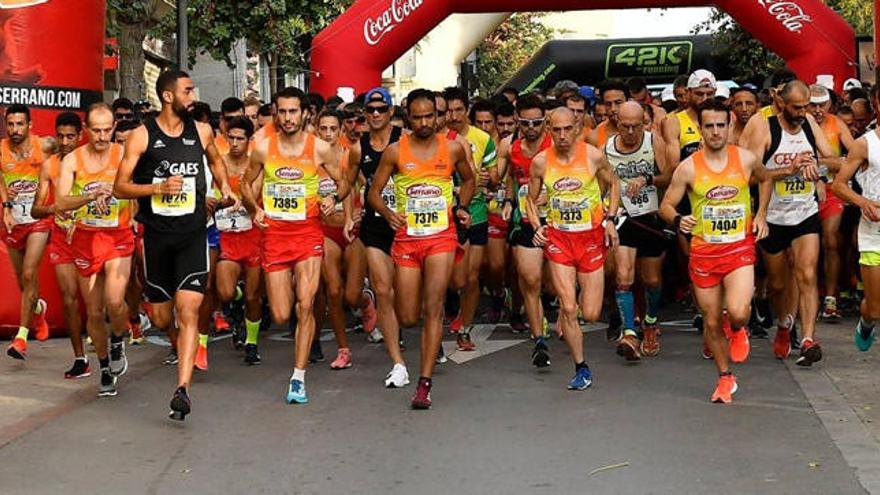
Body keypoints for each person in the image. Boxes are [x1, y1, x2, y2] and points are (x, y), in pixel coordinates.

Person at [114, 70, 237, 420]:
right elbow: (119, 187)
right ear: (168, 97)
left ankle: (182, 389)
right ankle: (179, 346)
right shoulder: (140, 137)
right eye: (187, 91)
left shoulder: (201, 131)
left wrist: (224, 187)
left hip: (193, 235)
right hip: (156, 238)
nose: (192, 95)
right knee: (163, 315)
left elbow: (216, 160)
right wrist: (156, 189)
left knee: (189, 313)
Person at [367, 88, 475, 410]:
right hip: (407, 239)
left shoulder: (453, 148)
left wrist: (460, 205)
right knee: (409, 315)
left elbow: (469, 181)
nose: (425, 122)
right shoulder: (394, 152)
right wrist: (388, 215)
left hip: (441, 236)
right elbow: (373, 193)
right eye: (418, 117)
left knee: (434, 306)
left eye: (430, 116)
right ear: (407, 117)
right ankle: (417, 362)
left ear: (438, 116)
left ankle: (424, 383)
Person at [660, 98, 770, 404]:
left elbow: (766, 180)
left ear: (730, 125)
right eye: (709, 126)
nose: (716, 132)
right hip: (705, 253)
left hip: (738, 248)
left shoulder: (745, 160)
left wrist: (760, 215)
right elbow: (666, 206)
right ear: (700, 129)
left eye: (721, 125)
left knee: (738, 311)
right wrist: (680, 218)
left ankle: (737, 327)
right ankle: (725, 378)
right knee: (710, 320)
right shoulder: (688, 168)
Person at [240, 86, 344, 405]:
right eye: (282, 111)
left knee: (306, 303)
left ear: (304, 113)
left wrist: (331, 198)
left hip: (308, 234)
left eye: (293, 111)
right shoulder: (262, 148)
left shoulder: (320, 149)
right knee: (283, 313)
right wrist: (254, 209)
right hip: (274, 236)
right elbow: (246, 183)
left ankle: (298, 377)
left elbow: (347, 181)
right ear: (275, 113)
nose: (287, 117)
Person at [740, 80, 840, 366]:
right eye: (797, 107)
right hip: (772, 218)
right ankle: (784, 326)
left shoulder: (809, 123)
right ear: (781, 103)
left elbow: (836, 161)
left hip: (804, 213)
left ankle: (808, 339)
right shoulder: (765, 127)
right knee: (779, 284)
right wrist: (790, 169)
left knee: (807, 274)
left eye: (806, 106)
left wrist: (816, 166)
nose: (803, 112)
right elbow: (751, 174)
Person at [526, 107, 619, 390]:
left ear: (577, 128)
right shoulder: (540, 162)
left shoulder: (592, 156)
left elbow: (613, 183)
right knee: (567, 307)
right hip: (559, 239)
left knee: (589, 313)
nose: (562, 135)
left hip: (590, 238)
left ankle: (574, 313)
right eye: (556, 130)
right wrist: (537, 227)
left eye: (568, 129)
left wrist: (610, 219)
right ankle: (581, 367)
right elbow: (530, 199)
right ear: (548, 130)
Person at [56, 103, 135, 397]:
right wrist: (89, 197)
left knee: (115, 301)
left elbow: (135, 187)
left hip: (117, 235)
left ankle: (118, 339)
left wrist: (115, 193)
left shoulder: (124, 155)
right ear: (86, 130)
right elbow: (62, 202)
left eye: (107, 130)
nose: (102, 136)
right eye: (96, 130)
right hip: (85, 239)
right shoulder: (73, 161)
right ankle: (103, 367)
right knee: (93, 310)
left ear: (114, 127)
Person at [346, 87, 410, 387]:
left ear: (390, 112)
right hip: (375, 226)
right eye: (369, 111)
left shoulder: (406, 140)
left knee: (408, 300)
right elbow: (348, 184)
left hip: (408, 227)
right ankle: (397, 362)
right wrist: (346, 214)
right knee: (384, 291)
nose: (374, 115)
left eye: (380, 110)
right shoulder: (359, 148)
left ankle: (408, 329)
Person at [606, 102, 671, 359]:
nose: (631, 131)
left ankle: (651, 321)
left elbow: (670, 175)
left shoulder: (653, 141)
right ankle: (630, 333)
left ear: (644, 122)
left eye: (636, 126)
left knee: (652, 280)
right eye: (625, 126)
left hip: (651, 218)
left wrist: (647, 179)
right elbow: (602, 181)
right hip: (624, 219)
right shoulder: (607, 148)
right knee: (624, 277)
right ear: (617, 123)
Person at [31, 112, 86, 376]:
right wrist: (54, 207)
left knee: (99, 303)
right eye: (61, 136)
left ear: (80, 135)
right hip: (62, 239)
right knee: (68, 299)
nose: (65, 142)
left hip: (91, 238)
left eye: (70, 136)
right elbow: (36, 209)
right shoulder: (49, 165)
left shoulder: (91, 161)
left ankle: (112, 346)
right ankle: (80, 359)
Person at [500, 94, 553, 362]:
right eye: (525, 123)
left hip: (557, 221)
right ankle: (539, 340)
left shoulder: (557, 143)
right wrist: (510, 200)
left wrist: (551, 195)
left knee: (554, 285)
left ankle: (564, 313)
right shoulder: (512, 147)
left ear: (546, 120)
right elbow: (511, 176)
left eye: (537, 122)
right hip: (525, 221)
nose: (531, 128)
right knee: (530, 279)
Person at [444, 86, 497, 350]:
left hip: (475, 211)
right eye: (448, 111)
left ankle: (465, 328)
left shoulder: (482, 138)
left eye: (458, 110)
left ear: (467, 111)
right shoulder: (437, 138)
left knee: (472, 277)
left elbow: (494, 175)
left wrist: (489, 178)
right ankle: (450, 309)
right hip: (444, 215)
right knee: (454, 278)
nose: (453, 116)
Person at [2, 104, 54, 360]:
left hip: (37, 220)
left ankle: (21, 338)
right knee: (24, 282)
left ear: (29, 125)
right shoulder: (0, 151)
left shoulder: (44, 145)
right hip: (13, 222)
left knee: (30, 272)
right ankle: (39, 309)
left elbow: (69, 153)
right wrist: (6, 206)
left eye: (19, 124)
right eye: (10, 124)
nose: (14, 129)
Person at [213, 116, 264, 365]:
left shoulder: (257, 163)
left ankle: (252, 343)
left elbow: (253, 196)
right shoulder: (218, 164)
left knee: (254, 297)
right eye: (230, 137)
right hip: (227, 237)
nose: (234, 143)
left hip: (253, 236)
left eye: (240, 138)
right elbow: (211, 196)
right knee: (224, 290)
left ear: (249, 140)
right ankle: (236, 299)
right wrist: (217, 200)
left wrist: (236, 197)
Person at [832, 106, 880, 352]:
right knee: (875, 308)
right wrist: (864, 203)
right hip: (874, 234)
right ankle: (867, 320)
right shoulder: (865, 144)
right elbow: (838, 186)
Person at [809, 84, 855, 321]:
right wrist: (833, 161)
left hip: (832, 191)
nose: (817, 110)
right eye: (813, 105)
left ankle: (830, 298)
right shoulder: (797, 122)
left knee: (830, 241)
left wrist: (825, 164)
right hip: (801, 192)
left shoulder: (836, 123)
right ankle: (807, 296)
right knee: (806, 247)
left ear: (830, 104)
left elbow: (852, 157)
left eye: (822, 105)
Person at [586, 80, 628, 149]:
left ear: (628, 101)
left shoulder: (643, 130)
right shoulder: (594, 137)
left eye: (618, 102)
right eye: (608, 104)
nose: (613, 109)